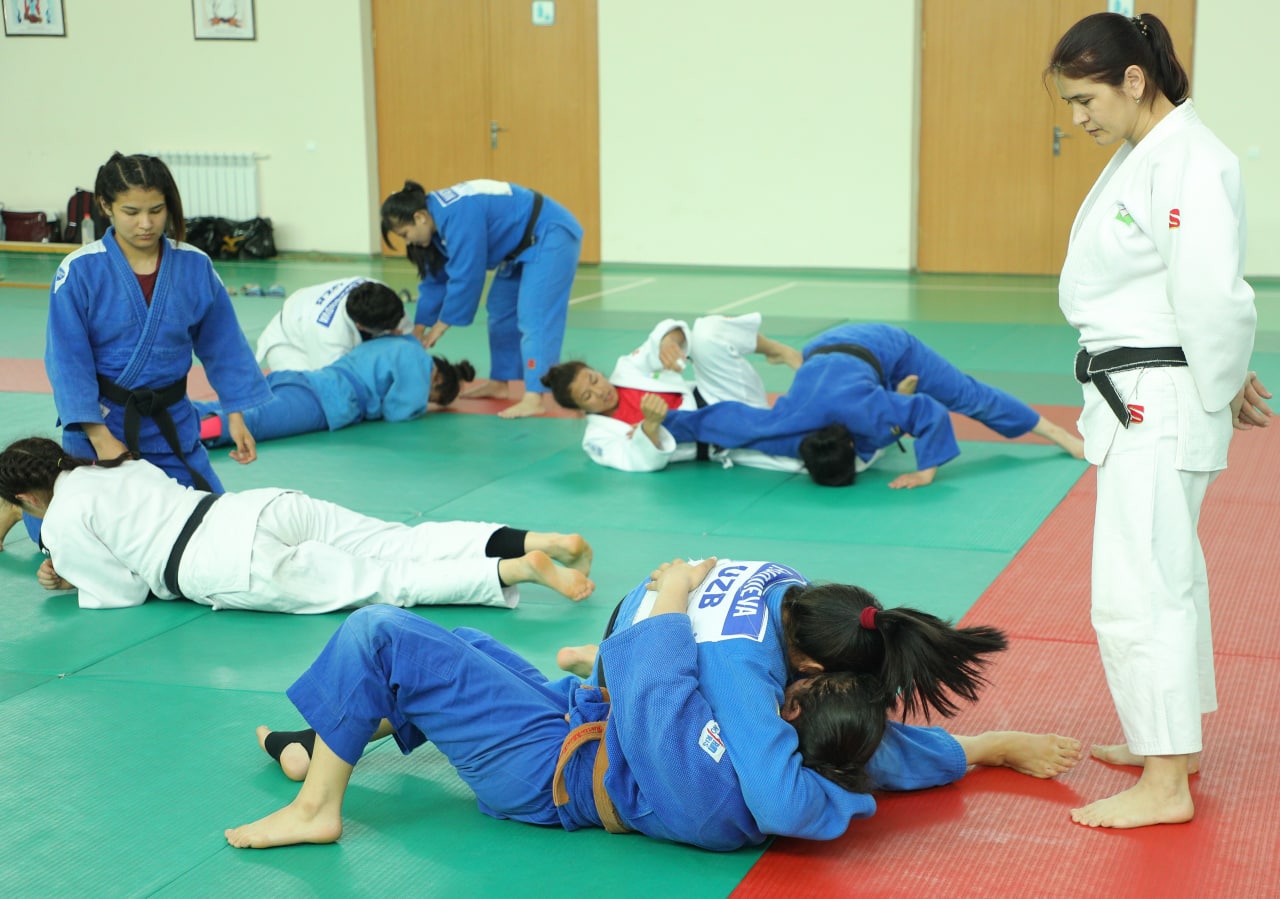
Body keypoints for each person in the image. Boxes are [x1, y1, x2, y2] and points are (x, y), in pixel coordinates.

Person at [228, 557, 1083, 850]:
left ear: (793, 707)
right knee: (459, 645)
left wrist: (670, 601)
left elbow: (655, 693)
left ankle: (316, 807)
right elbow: (870, 752)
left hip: (547, 766)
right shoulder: (793, 727)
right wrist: (983, 747)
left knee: (382, 631)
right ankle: (321, 745)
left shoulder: (730, 778)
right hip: (578, 716)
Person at [1048, 12, 1272, 829]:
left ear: (1134, 80)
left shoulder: (1189, 159)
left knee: (1143, 589)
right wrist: (1221, 371)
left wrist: (1222, 379)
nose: (1077, 118)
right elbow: (1175, 288)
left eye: (1085, 98)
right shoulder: (1148, 154)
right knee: (1164, 576)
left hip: (1156, 399)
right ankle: (1167, 745)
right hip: (1144, 388)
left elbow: (1214, 294)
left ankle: (1167, 779)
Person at [259, 557, 1015, 782]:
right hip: (609, 694)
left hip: (615, 652)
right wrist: (973, 751)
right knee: (393, 637)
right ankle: (322, 787)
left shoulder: (792, 587)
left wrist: (675, 590)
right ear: (807, 666)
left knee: (458, 646)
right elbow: (794, 781)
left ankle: (318, 744)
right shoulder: (745, 676)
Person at [0, 436, 594, 612]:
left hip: (226, 562)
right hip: (253, 507)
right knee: (397, 540)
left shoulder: (61, 519)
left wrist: (74, 579)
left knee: (386, 581)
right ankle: (534, 540)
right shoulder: (113, 466)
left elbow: (125, 591)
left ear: (25, 496)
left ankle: (515, 570)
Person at [44, 152, 270, 494]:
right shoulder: (79, 270)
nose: (146, 224)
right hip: (101, 427)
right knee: (90, 522)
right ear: (106, 205)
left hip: (171, 426)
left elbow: (224, 345)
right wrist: (99, 437)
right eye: (131, 212)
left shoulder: (195, 265)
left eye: (156, 210)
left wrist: (235, 415)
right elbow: (67, 360)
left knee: (210, 513)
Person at [649, 322, 1084, 489]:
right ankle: (895, 395)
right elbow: (725, 421)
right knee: (891, 404)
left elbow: (933, 411)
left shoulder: (869, 422)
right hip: (819, 348)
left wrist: (926, 470)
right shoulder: (783, 430)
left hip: (885, 345)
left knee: (966, 396)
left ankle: (1059, 434)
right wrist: (664, 422)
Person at [380, 179, 583, 419]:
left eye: (405, 234)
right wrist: (419, 328)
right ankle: (499, 382)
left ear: (419, 217)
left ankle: (535, 396)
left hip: (550, 231)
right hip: (518, 245)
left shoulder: (457, 214)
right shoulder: (435, 223)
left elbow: (467, 274)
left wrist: (442, 325)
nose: (407, 241)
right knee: (499, 308)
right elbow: (435, 281)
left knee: (535, 315)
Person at [540, 313, 826, 474]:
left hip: (722, 392)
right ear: (581, 410)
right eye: (587, 396)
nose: (600, 390)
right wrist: (651, 426)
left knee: (705, 330)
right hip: (720, 440)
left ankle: (779, 351)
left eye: (594, 379)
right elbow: (638, 461)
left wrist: (669, 343)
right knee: (815, 456)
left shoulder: (627, 368)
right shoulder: (597, 438)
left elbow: (668, 332)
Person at [195, 335, 475, 448]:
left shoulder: (401, 342)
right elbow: (398, 411)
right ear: (437, 380)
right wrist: (420, 407)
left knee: (228, 408)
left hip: (304, 379)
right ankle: (192, 432)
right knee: (254, 423)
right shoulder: (419, 365)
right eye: (431, 399)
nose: (425, 401)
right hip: (325, 400)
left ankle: (175, 416)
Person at [255, 278, 410, 372]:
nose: (397, 328)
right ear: (360, 326)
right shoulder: (329, 336)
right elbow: (335, 385)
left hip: (309, 307)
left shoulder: (382, 295)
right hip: (290, 341)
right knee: (313, 397)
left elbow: (410, 339)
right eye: (389, 328)